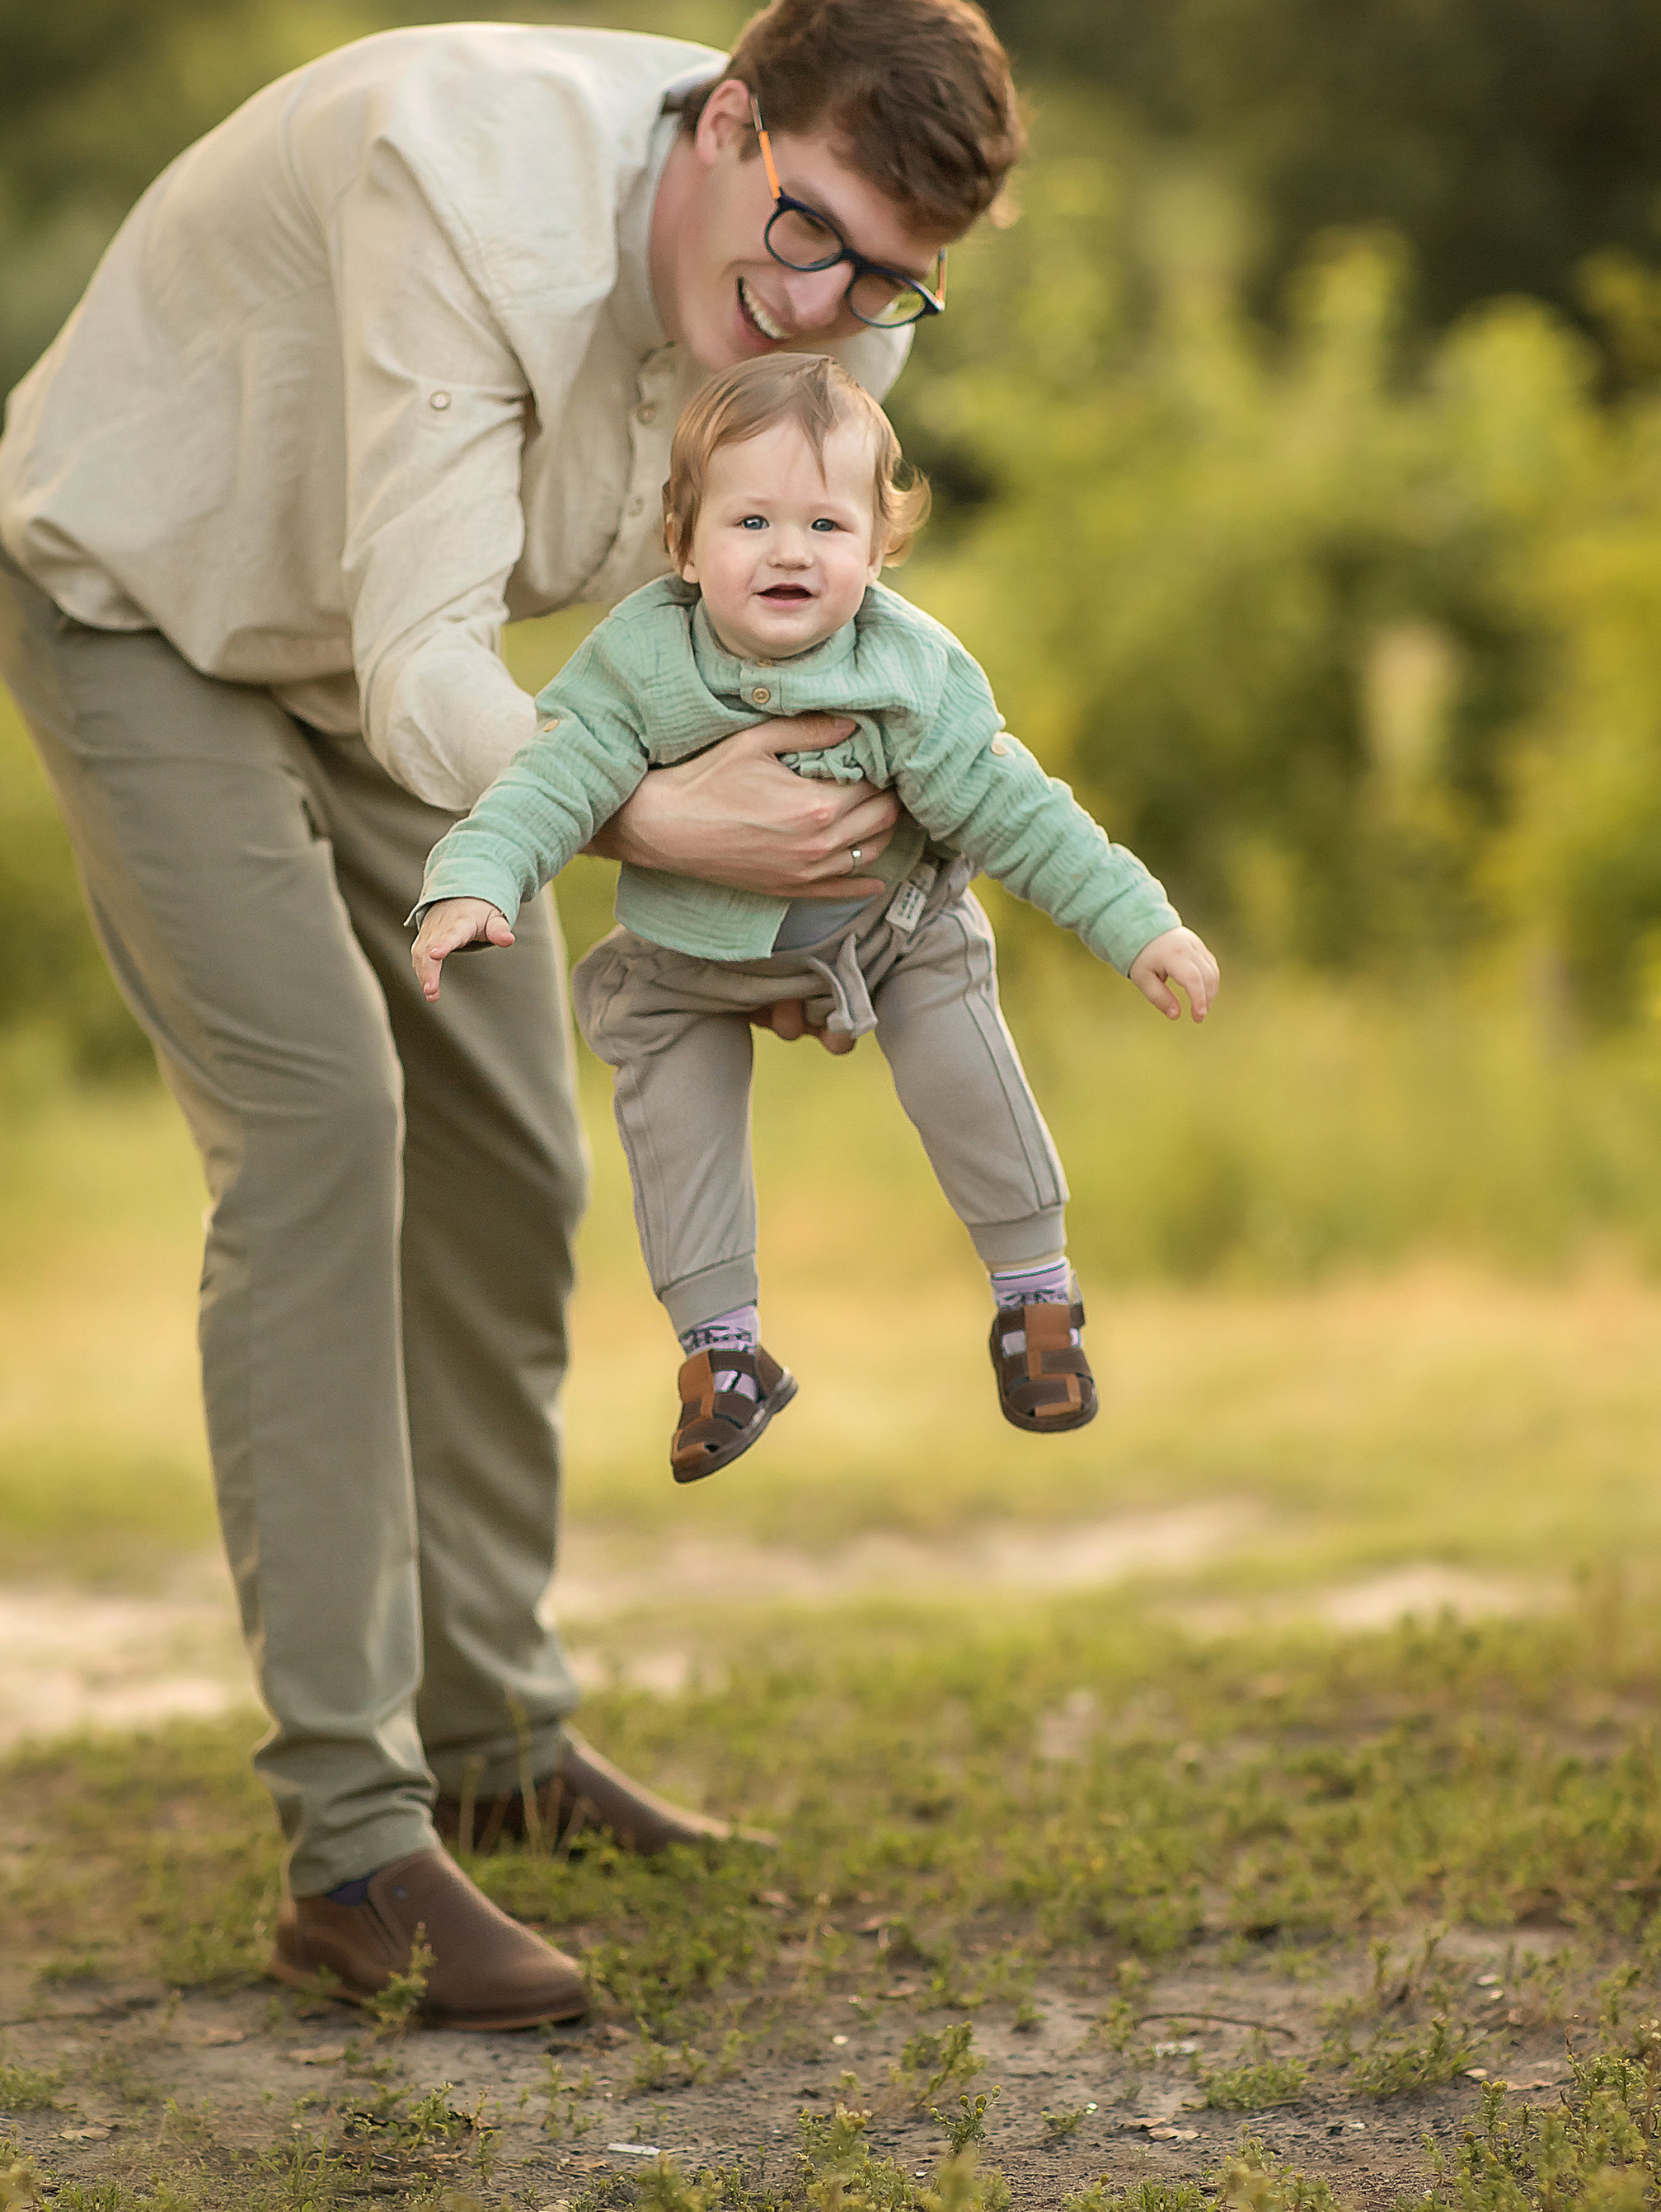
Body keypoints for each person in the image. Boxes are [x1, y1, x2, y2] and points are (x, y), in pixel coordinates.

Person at [0, 0, 1023, 2031]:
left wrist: (790, 905)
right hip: (145, 610)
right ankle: (350, 1846)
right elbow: (429, 657)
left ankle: (496, 1741)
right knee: (322, 1127)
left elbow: (735, 647)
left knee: (513, 1159)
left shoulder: (820, 308)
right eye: (805, 231)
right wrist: (672, 827)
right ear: (725, 121)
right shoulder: (455, 196)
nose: (817, 308)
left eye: (883, 280)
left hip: (379, 668)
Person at [412, 354, 1220, 1479]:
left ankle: (1036, 1296)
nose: (790, 551)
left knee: (956, 1023)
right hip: (693, 956)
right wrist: (475, 881)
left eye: (827, 526)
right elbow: (548, 783)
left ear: (878, 551)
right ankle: (721, 1351)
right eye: (751, 521)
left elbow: (1018, 810)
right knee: (665, 1083)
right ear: (683, 543)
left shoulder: (906, 673)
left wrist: (1139, 923)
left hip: (887, 930)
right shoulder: (640, 663)